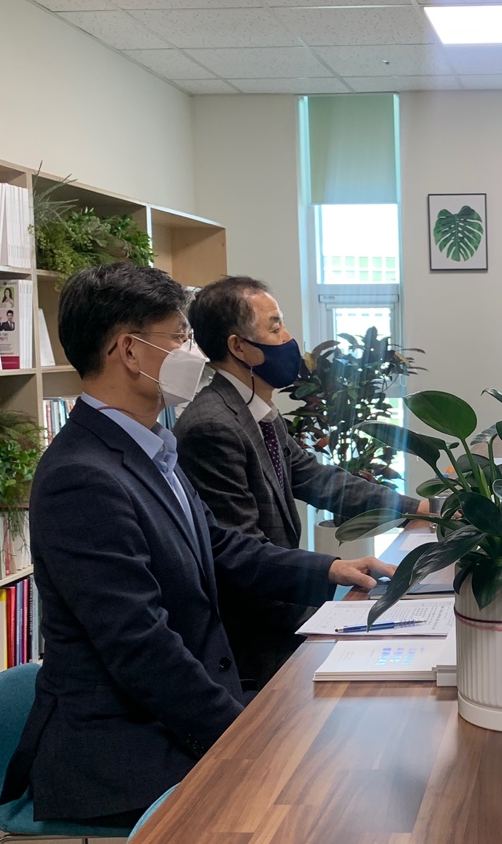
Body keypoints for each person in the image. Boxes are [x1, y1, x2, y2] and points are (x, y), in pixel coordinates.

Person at [0, 263, 392, 826]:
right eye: (179, 337)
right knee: (319, 804)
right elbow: (140, 643)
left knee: (344, 754)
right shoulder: (81, 476)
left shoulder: (150, 446)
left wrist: (329, 569)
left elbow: (221, 547)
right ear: (129, 351)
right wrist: (241, 735)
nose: (193, 352)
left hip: (179, 706)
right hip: (125, 743)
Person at [174, 275, 423, 688]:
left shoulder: (255, 411)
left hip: (284, 613)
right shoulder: (212, 426)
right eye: (275, 327)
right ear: (239, 347)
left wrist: (417, 508)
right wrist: (333, 574)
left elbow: (317, 478)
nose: (288, 339)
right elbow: (241, 555)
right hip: (257, 642)